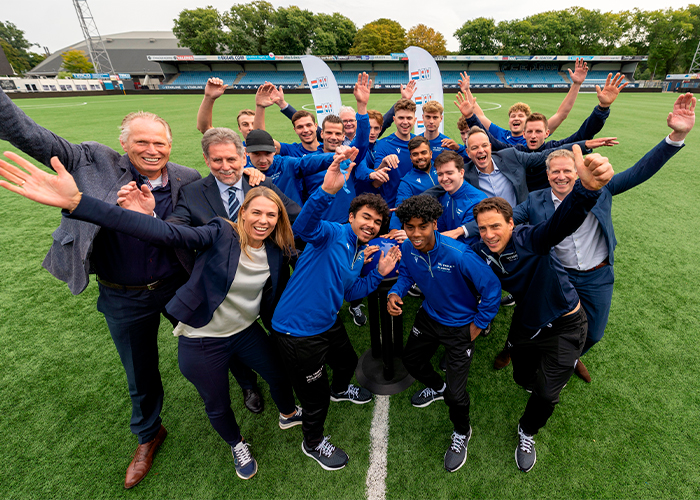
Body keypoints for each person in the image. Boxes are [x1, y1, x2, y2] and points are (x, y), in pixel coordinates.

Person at [0, 152, 358, 480]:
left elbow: (312, 248)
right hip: (202, 338)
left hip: (247, 331)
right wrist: (79, 203)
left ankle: (287, 414)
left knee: (279, 375)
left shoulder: (278, 249)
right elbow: (166, 232)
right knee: (216, 401)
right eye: (256, 212)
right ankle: (236, 444)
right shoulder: (219, 232)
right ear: (242, 213)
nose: (263, 221)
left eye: (271, 214)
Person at [0, 90, 201, 489]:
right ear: (123, 143)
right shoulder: (90, 159)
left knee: (216, 338)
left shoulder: (186, 177)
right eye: (141, 142)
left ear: (171, 145)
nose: (151, 149)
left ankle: (247, 385)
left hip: (177, 284)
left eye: (159, 142)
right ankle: (148, 435)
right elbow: (29, 134)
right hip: (122, 293)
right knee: (139, 371)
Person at [504, 92, 696, 381]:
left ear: (577, 171)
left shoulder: (599, 189)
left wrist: (675, 136)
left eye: (567, 171)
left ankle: (570, 356)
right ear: (547, 174)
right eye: (554, 172)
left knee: (593, 333)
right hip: (558, 276)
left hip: (596, 275)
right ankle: (529, 352)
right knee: (539, 322)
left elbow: (640, 171)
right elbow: (506, 220)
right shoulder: (535, 201)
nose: (561, 177)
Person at [471, 144, 614, 472]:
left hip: (565, 325)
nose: (490, 234)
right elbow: (462, 259)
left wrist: (585, 190)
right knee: (522, 377)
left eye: (496, 226)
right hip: (528, 320)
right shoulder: (481, 250)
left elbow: (560, 224)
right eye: (483, 228)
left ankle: (527, 430)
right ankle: (518, 361)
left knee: (548, 395)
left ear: (512, 222)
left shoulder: (530, 238)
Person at [270, 158, 401, 471]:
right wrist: (326, 192)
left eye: (377, 223)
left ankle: (341, 389)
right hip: (297, 332)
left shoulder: (359, 252)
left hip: (328, 323)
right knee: (314, 400)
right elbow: (302, 228)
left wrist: (379, 273)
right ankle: (313, 442)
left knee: (346, 363)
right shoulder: (330, 232)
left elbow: (351, 293)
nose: (371, 225)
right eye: (365, 218)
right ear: (352, 216)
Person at [165, 127, 301, 414]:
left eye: (231, 159)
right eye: (217, 161)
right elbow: (176, 229)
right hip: (219, 291)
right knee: (230, 338)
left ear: (243, 158)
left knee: (270, 339)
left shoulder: (260, 185)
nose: (225, 167)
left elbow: (294, 215)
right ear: (206, 159)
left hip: (264, 283)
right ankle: (247, 384)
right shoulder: (192, 193)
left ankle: (284, 386)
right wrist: (151, 219)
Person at [387, 194, 500, 472]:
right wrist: (395, 291)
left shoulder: (459, 254)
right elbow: (406, 274)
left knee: (457, 396)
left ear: (434, 224)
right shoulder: (407, 246)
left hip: (460, 326)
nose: (415, 234)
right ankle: (438, 388)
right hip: (428, 317)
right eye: (409, 227)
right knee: (412, 361)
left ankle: (462, 432)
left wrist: (477, 325)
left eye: (422, 227)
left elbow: (492, 290)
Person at [461, 73, 627, 190]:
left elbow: (582, 134)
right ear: (524, 134)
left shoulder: (554, 148)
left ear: (547, 133)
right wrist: (470, 117)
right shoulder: (517, 151)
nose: (533, 135)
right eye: (530, 132)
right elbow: (492, 142)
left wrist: (602, 108)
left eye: (538, 131)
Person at [457, 58, 590, 145]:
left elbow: (561, 114)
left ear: (528, 122)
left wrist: (576, 84)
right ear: (509, 121)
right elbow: (480, 116)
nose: (516, 118)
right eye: (513, 116)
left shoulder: (535, 135)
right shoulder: (500, 134)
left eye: (521, 116)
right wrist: (467, 90)